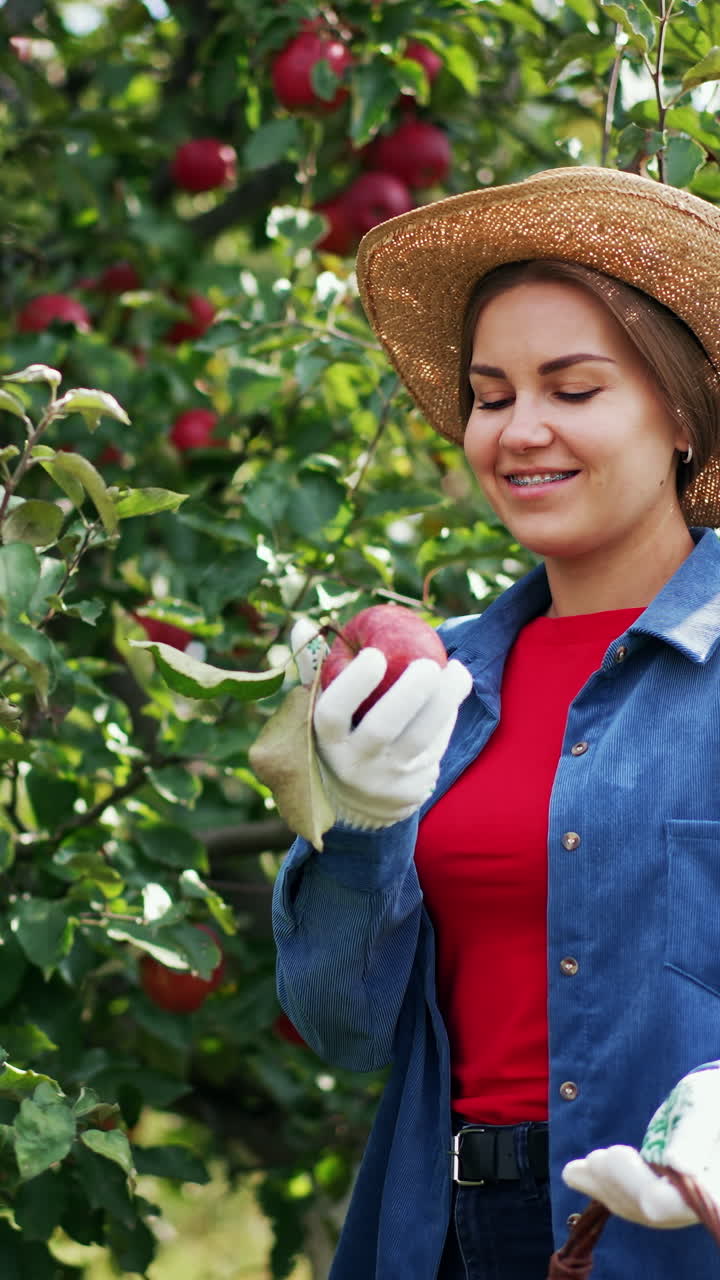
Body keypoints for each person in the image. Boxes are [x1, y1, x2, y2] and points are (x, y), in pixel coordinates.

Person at [271, 166, 720, 1279]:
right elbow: (341, 1024)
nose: (521, 430)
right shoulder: (431, 687)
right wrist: (360, 820)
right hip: (441, 1232)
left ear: (680, 408)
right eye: (491, 392)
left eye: (573, 388)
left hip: (676, 1241)